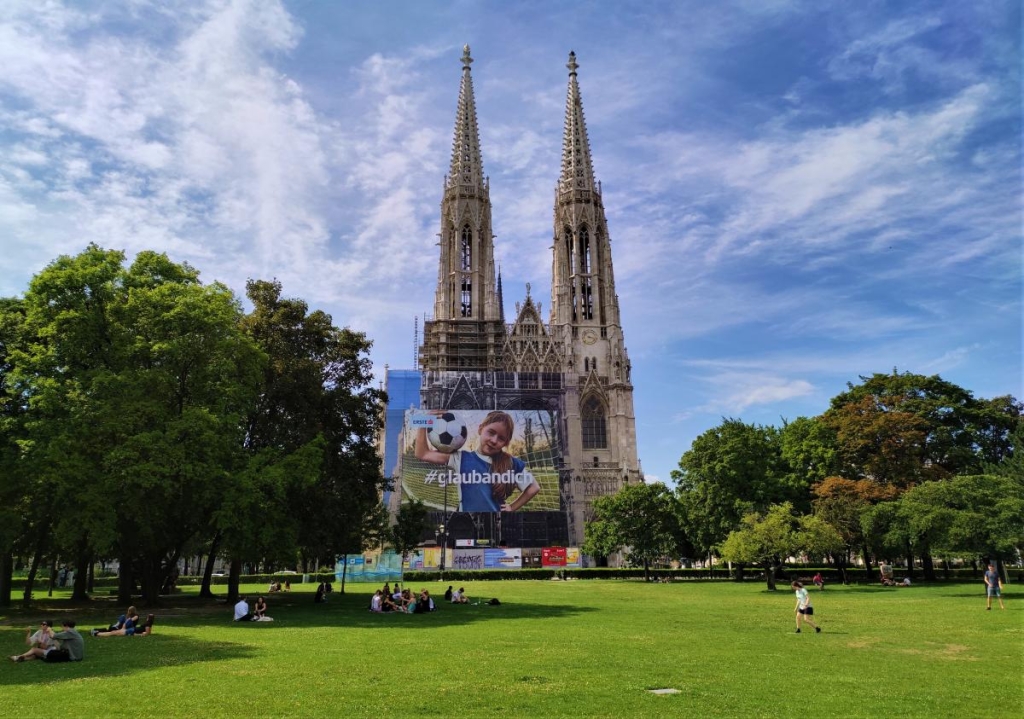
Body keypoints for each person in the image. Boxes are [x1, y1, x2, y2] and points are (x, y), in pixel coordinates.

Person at [415, 410, 541, 512]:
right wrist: (424, 421)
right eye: (491, 432)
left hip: (495, 523)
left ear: (506, 443)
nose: (494, 440)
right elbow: (422, 454)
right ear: (481, 429)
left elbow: (534, 488)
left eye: (501, 438)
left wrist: (512, 507)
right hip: (467, 522)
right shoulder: (460, 458)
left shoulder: (511, 463)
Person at [11, 620, 84, 663]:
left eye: (43, 624)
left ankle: (18, 657)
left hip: (56, 651)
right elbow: (28, 643)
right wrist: (28, 633)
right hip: (70, 654)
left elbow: (50, 641)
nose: (41, 625)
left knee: (34, 650)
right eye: (41, 624)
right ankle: (23, 658)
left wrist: (41, 640)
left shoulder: (68, 632)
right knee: (34, 654)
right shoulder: (39, 632)